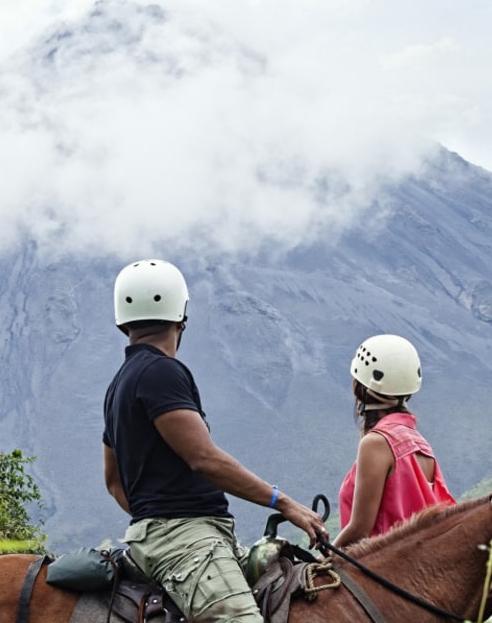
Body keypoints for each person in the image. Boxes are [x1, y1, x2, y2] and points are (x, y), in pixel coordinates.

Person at [103, 259, 328, 623]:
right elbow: (203, 458)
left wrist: (152, 516)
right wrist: (284, 503)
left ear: (123, 321)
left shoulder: (119, 384)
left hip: (181, 536)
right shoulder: (161, 372)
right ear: (181, 318)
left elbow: (114, 482)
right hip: (186, 542)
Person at [333, 334, 456, 548]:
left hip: (378, 564)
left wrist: (323, 559)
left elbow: (360, 530)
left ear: (360, 386)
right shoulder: (419, 443)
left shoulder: (376, 443)